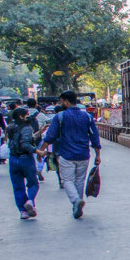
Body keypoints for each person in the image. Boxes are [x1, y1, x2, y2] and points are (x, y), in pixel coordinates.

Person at [35, 90, 101, 219]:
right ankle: (77, 204)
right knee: (80, 180)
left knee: (67, 180)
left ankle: (76, 201)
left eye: (61, 101)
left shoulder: (60, 117)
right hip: (83, 154)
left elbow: (50, 136)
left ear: (65, 101)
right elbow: (94, 137)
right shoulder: (87, 116)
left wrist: (42, 151)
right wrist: (98, 154)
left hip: (66, 154)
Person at [6, 107, 40, 219]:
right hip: (25, 158)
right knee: (33, 183)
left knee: (18, 187)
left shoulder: (10, 127)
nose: (28, 116)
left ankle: (23, 211)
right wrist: (37, 151)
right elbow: (25, 144)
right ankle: (30, 201)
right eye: (26, 115)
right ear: (21, 116)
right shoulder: (26, 128)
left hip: (13, 159)